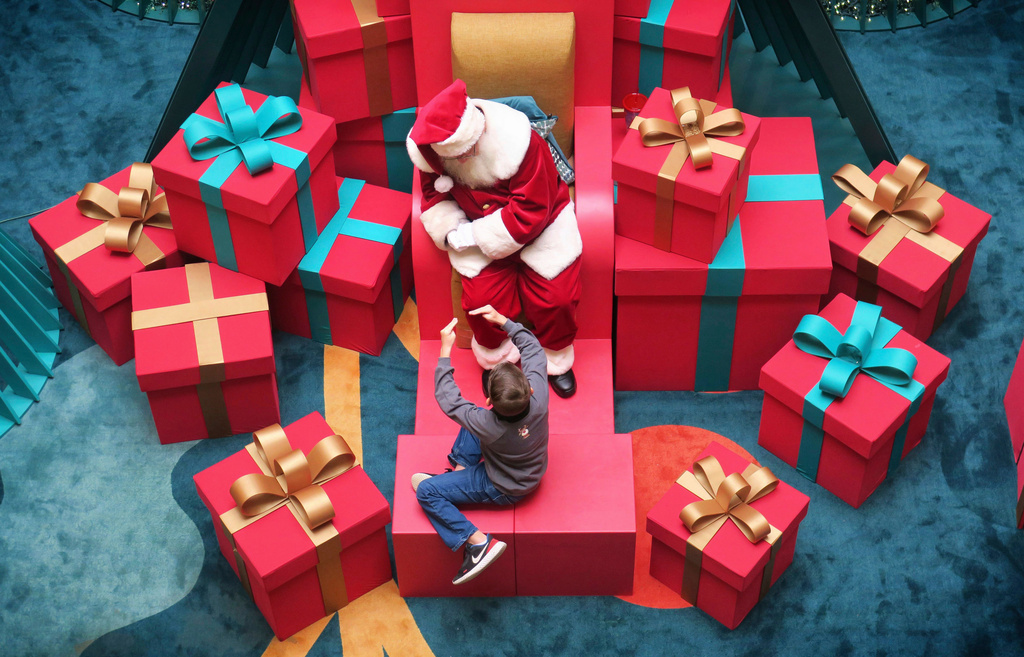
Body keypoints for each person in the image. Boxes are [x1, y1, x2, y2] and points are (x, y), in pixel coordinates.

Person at [406, 78, 582, 398]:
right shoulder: (433, 150)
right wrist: (450, 230)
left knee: (557, 298)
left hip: (541, 227)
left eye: (466, 152)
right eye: (453, 157)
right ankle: (497, 362)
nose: (460, 161)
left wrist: (474, 233)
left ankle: (555, 360)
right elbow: (433, 195)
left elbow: (532, 209)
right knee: (480, 304)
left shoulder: (521, 141)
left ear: (479, 131)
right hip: (475, 231)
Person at [413, 304, 550, 585]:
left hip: (504, 486)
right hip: (530, 469)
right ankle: (459, 475)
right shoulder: (540, 397)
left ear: (490, 402)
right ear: (530, 387)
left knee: (426, 491)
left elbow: (448, 399)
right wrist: (504, 321)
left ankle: (477, 544)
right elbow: (533, 349)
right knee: (471, 419)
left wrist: (444, 351)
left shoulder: (487, 422)